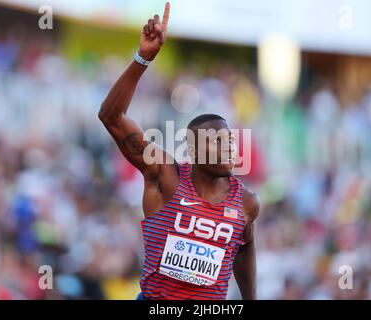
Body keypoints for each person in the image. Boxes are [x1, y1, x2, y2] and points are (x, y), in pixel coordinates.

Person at [98, 2, 259, 300]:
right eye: (217, 141)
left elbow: (245, 246)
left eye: (231, 141)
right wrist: (143, 58)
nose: (229, 148)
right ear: (194, 150)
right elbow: (111, 117)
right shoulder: (164, 175)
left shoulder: (247, 203)